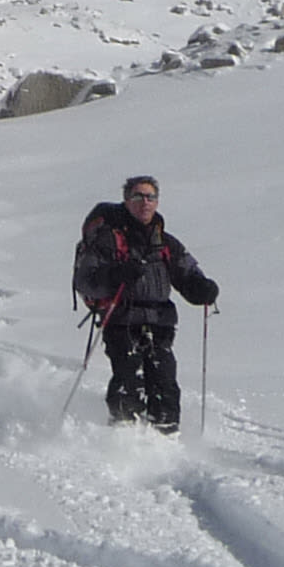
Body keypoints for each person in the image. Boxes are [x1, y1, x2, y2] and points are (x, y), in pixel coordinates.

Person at [72, 174, 217, 431]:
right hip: (121, 320)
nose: (145, 202)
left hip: (160, 323)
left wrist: (202, 288)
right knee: (128, 379)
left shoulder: (165, 242)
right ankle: (123, 434)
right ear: (126, 200)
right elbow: (85, 281)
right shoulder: (108, 239)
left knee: (164, 383)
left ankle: (166, 436)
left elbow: (186, 274)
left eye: (150, 197)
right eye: (138, 196)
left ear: (157, 202)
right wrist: (115, 275)